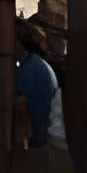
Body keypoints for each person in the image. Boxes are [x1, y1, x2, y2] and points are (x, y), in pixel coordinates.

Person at [14, 18, 65, 149]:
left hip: (37, 140)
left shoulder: (29, 68)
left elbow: (21, 109)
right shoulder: (34, 63)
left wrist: (23, 145)